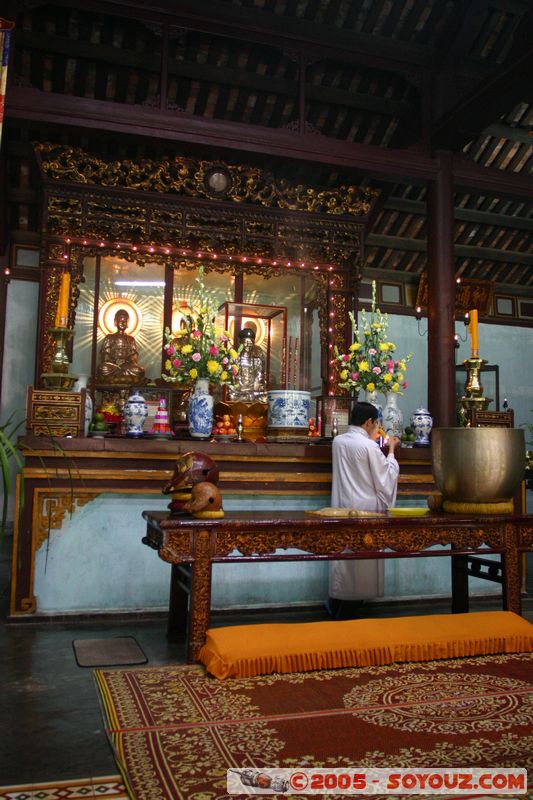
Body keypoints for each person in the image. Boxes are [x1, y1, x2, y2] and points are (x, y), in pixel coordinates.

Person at [328, 401, 400, 619]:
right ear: (369, 422)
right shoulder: (368, 446)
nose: (377, 426)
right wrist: (391, 451)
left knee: (344, 561)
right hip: (365, 511)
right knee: (360, 566)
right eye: (376, 422)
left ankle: (336, 606)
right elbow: (385, 479)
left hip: (341, 507)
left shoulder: (338, 441)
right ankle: (346, 616)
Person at [96, 308, 145, 384]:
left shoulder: (131, 339)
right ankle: (120, 372)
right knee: (102, 368)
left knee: (139, 370)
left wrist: (126, 362)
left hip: (126, 366)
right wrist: (114, 362)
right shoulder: (109, 337)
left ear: (128, 323)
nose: (122, 323)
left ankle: (120, 372)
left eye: (124, 321)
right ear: (115, 322)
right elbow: (105, 356)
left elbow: (134, 358)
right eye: (120, 321)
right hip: (112, 366)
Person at [228, 327, 267, 403]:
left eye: (250, 344)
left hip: (253, 392)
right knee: (231, 396)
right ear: (241, 343)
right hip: (238, 392)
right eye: (245, 343)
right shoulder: (234, 357)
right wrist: (233, 387)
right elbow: (230, 377)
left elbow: (260, 376)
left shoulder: (257, 357)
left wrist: (259, 387)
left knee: (264, 397)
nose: (247, 346)